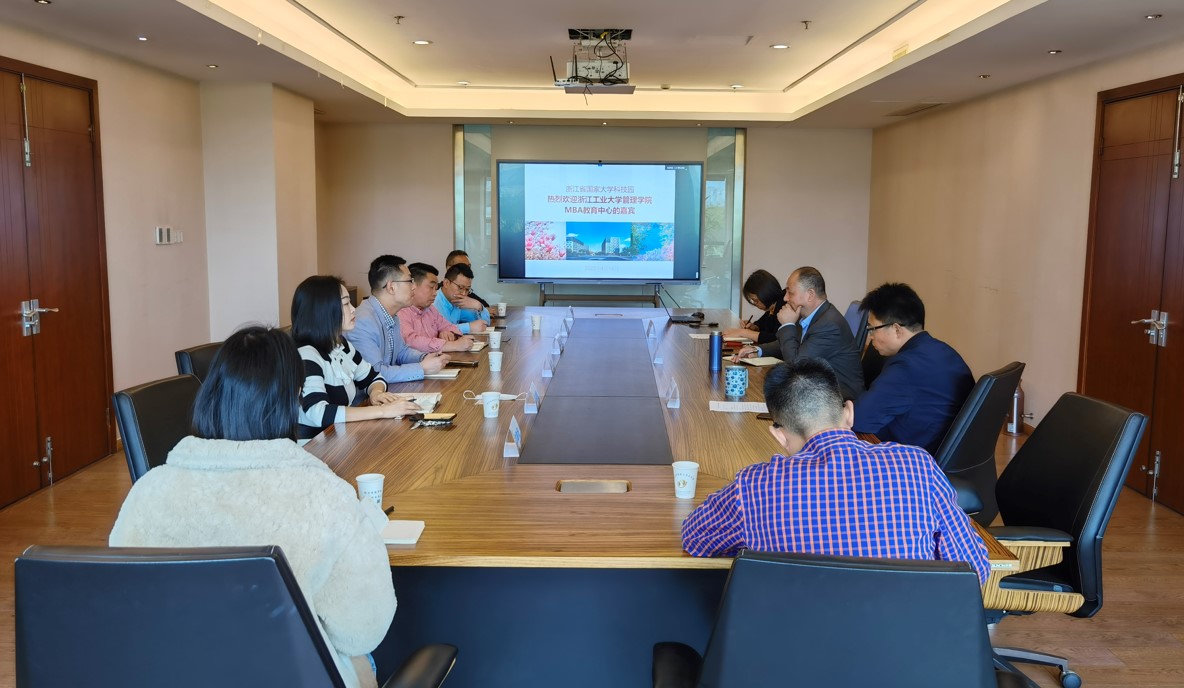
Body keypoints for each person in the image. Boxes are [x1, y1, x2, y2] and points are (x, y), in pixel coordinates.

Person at [109, 326, 397, 688]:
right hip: (291, 675)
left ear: (211, 395)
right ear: (292, 400)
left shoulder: (148, 493)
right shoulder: (325, 496)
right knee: (358, 658)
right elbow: (362, 631)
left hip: (176, 673)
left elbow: (126, 611)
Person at [681, 358, 989, 584]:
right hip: (912, 649)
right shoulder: (917, 465)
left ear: (779, 435)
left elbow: (695, 538)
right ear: (849, 413)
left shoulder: (754, 486)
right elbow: (973, 568)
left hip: (795, 651)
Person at [292, 275, 420, 442]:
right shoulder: (306, 355)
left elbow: (373, 377)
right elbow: (318, 413)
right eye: (346, 304)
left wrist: (376, 393)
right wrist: (383, 411)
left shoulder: (340, 345)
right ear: (324, 310)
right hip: (315, 447)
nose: (353, 309)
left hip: (339, 439)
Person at [853, 282, 975, 453]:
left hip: (916, 458)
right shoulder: (945, 351)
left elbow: (859, 419)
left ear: (897, 329)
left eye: (872, 329)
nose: (870, 337)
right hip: (953, 451)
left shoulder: (906, 366)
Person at [734, 266, 864, 400]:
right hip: (816, 387)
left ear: (810, 295)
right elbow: (788, 343)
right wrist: (758, 350)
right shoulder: (810, 316)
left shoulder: (829, 325)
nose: (785, 298)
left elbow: (796, 368)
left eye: (790, 293)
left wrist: (787, 325)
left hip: (839, 399)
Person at [346, 254, 450, 383]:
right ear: (391, 287)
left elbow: (401, 352)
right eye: (409, 281)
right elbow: (374, 373)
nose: (414, 287)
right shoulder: (363, 321)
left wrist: (425, 357)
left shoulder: (392, 315)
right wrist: (421, 368)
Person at [397, 263, 476, 353]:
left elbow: (451, 327)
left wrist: (448, 333)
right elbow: (411, 341)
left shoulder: (430, 309)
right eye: (431, 287)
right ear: (413, 286)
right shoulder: (401, 311)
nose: (435, 293)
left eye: (436, 288)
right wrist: (453, 345)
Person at [721, 269, 785, 344]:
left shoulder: (783, 307)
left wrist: (744, 333)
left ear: (766, 293)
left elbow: (776, 339)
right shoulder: (772, 308)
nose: (755, 304)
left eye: (756, 300)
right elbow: (762, 323)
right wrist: (754, 327)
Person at [435, 262, 490, 334]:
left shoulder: (457, 302)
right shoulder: (433, 303)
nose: (464, 294)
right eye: (460, 287)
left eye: (467, 289)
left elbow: (484, 323)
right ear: (446, 283)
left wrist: (479, 306)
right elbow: (438, 331)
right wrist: (469, 327)